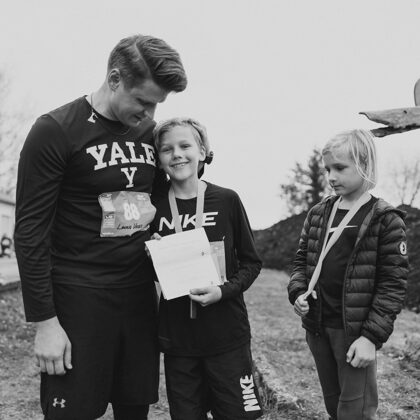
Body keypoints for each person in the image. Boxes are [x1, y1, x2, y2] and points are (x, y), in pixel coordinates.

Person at [14, 34, 187, 420]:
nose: (149, 114)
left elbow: (163, 205)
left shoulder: (150, 134)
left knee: (134, 411)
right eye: (142, 101)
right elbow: (30, 233)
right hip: (79, 299)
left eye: (156, 104)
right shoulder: (55, 130)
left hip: (138, 299)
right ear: (114, 79)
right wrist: (45, 324)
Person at [287, 129, 408, 420]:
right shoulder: (318, 213)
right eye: (327, 169)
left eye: (340, 168)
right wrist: (298, 291)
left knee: (356, 411)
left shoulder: (386, 219)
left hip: (354, 333)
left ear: (364, 164)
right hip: (318, 328)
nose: (331, 176)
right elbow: (302, 261)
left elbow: (392, 285)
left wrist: (370, 338)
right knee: (335, 406)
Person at [150, 117, 263, 420]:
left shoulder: (226, 200)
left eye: (185, 146)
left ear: (202, 152)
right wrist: (154, 256)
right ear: (158, 159)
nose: (177, 154)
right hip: (179, 341)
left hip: (227, 336)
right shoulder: (154, 206)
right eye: (167, 149)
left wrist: (222, 292)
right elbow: (147, 274)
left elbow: (252, 263)